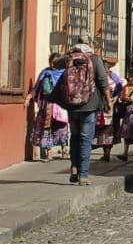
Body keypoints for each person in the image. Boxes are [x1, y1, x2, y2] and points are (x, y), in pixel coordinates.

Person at [58, 36, 111, 186]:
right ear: (90, 44)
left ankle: (74, 168)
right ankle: (83, 175)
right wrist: (108, 101)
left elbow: (56, 65)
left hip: (72, 105)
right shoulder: (94, 58)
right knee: (86, 139)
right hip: (89, 104)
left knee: (74, 137)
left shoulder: (69, 58)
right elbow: (102, 81)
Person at [24, 52, 68, 162]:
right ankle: (49, 153)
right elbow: (37, 87)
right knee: (46, 127)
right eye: (51, 62)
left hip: (59, 104)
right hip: (46, 104)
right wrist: (29, 96)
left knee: (61, 127)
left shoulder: (64, 73)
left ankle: (64, 149)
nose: (52, 65)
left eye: (54, 62)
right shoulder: (45, 72)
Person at [93, 58, 124, 161]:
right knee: (102, 130)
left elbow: (120, 87)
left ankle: (107, 152)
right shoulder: (96, 76)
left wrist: (115, 97)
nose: (106, 70)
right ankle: (105, 152)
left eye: (107, 69)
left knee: (110, 129)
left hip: (111, 107)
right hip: (101, 106)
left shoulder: (113, 76)